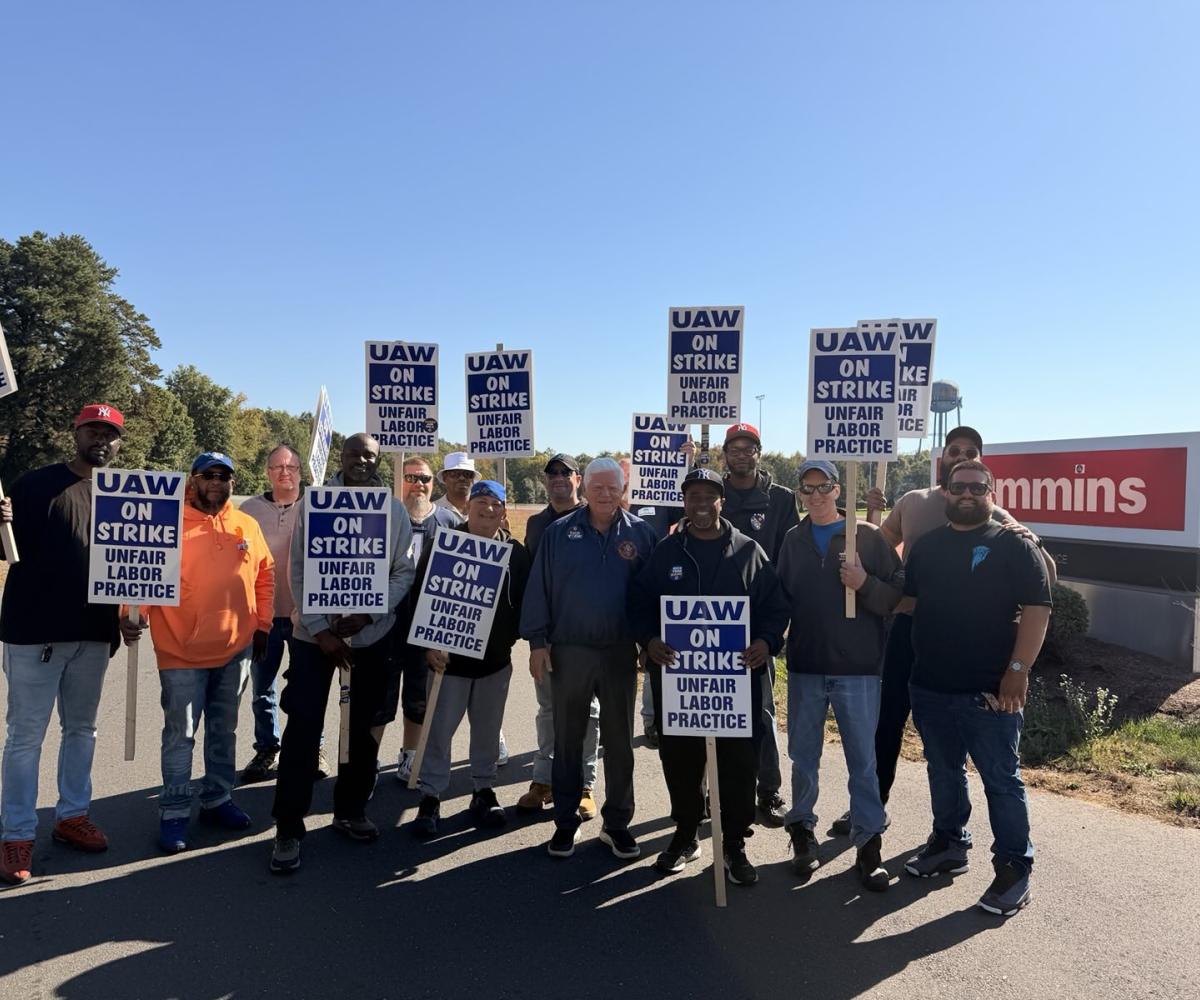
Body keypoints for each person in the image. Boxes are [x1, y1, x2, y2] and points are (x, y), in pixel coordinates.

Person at [851, 426, 1058, 837]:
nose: (961, 458)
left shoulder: (989, 509)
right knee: (889, 721)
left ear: (983, 474)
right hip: (911, 627)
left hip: (964, 639)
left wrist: (1031, 538)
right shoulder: (914, 502)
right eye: (954, 451)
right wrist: (872, 514)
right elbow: (881, 546)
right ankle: (874, 806)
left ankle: (989, 850)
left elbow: (1041, 581)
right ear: (942, 461)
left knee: (972, 760)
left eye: (970, 452)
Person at [901, 459, 1051, 916]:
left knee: (1001, 782)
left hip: (990, 689)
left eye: (976, 487)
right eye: (958, 486)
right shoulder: (925, 547)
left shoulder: (1014, 545)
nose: (967, 494)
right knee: (942, 770)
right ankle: (949, 843)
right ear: (944, 491)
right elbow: (909, 600)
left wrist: (1018, 670)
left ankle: (1014, 869)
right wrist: (859, 584)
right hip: (929, 684)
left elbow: (1038, 610)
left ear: (991, 491)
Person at [628, 468, 788, 885]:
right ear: (684, 501)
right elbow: (639, 602)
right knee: (680, 762)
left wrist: (767, 642)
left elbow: (775, 607)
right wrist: (648, 639)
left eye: (709, 496)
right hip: (680, 684)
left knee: (737, 766)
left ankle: (733, 843)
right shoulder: (666, 552)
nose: (701, 504)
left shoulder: (748, 552)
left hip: (735, 684)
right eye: (693, 495)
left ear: (723, 502)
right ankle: (685, 833)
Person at [269, 434, 415, 874]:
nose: (362, 461)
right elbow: (297, 567)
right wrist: (319, 629)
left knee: (362, 729)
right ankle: (289, 826)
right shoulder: (315, 505)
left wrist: (370, 613)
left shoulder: (393, 510)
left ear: (377, 461)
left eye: (370, 455)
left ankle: (349, 809)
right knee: (303, 730)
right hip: (315, 641)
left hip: (370, 639)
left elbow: (403, 569)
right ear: (342, 457)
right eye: (354, 454)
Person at [120, 452, 274, 854]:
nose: (217, 483)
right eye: (208, 475)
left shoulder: (246, 524)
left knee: (223, 733)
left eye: (225, 476)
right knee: (180, 735)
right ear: (193, 481)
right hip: (179, 654)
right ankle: (173, 811)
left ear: (233, 484)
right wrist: (131, 616)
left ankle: (217, 799)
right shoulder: (166, 523)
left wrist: (263, 625)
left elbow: (265, 574)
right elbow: (141, 573)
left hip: (235, 650)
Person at [0, 404, 126, 884]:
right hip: (35, 633)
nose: (101, 438)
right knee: (25, 737)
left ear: (118, 442)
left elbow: (136, 568)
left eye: (110, 432)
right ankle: (16, 835)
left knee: (82, 730)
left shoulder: (122, 497)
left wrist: (130, 615)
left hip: (93, 636)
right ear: (75, 433)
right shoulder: (34, 485)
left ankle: (72, 815)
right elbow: (6, 548)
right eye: (93, 429)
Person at [776, 460, 903, 891]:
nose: (815, 496)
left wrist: (864, 582)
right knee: (803, 756)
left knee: (862, 762)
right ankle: (802, 831)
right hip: (807, 666)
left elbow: (896, 596)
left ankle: (869, 843)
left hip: (858, 670)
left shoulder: (866, 537)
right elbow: (781, 598)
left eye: (824, 487)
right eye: (806, 488)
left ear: (837, 490)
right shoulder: (793, 540)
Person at [520, 458, 656, 859]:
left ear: (622, 488)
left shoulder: (642, 535)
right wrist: (536, 643)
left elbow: (650, 596)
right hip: (569, 651)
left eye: (612, 487)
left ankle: (617, 824)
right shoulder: (560, 533)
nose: (605, 493)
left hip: (618, 653)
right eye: (597, 486)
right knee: (567, 740)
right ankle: (565, 822)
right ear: (585, 487)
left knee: (618, 742)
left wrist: (649, 643)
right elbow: (538, 589)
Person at [412, 481, 531, 834]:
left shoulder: (515, 553)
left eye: (496, 504)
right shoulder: (443, 546)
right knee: (438, 732)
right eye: (481, 501)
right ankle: (430, 797)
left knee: (487, 732)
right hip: (448, 664)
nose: (489, 509)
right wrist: (427, 646)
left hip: (495, 663)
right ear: (469, 507)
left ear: (504, 511)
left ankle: (483, 789)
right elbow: (418, 598)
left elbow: (526, 604)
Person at [719, 422, 797, 827]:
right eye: (735, 447)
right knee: (711, 708)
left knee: (761, 712)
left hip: (757, 623)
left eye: (749, 447)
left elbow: (787, 562)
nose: (742, 453)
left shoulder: (780, 499)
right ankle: (716, 794)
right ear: (725, 454)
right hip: (711, 625)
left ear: (759, 453)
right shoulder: (713, 492)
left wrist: (773, 629)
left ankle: (767, 792)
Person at [517, 453, 600, 819]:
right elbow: (532, 584)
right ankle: (543, 778)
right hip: (549, 637)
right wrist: (536, 638)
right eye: (551, 474)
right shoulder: (535, 524)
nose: (558, 479)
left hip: (586, 636)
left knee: (588, 711)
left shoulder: (595, 516)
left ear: (578, 479)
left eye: (565, 473)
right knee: (548, 709)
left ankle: (584, 784)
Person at [239, 445, 328, 784]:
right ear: (267, 472)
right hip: (263, 618)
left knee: (309, 688)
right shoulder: (249, 511)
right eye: (276, 466)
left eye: (290, 466)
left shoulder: (315, 507)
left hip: (305, 616)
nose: (284, 472)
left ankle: (314, 746)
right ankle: (267, 747)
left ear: (301, 472)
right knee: (263, 688)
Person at [392, 456, 461, 784]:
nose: (418, 484)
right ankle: (363, 767)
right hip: (385, 623)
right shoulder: (386, 516)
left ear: (434, 484)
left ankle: (412, 754)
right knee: (379, 697)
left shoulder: (447, 520)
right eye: (411, 477)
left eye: (425, 479)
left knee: (420, 695)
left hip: (427, 624)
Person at [435, 451, 478, 518]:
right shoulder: (433, 511)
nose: (461, 478)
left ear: (473, 479)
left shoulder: (483, 509)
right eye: (454, 474)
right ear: (444, 478)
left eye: (467, 474)